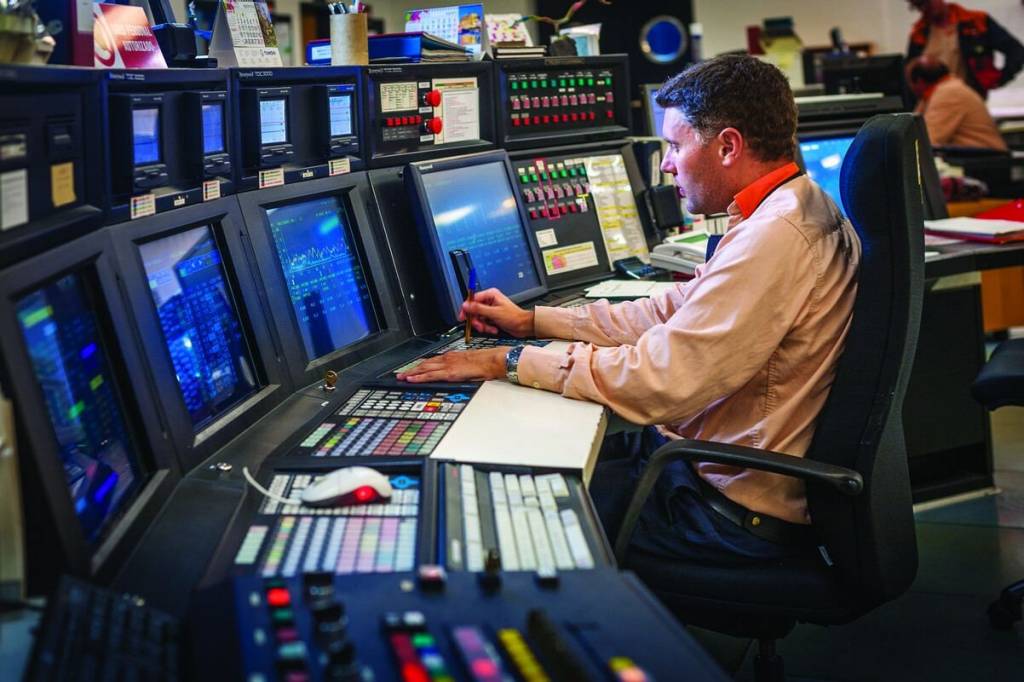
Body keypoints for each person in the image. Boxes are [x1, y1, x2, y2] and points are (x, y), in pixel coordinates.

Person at [398, 54, 861, 564]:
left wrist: (507, 361)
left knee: (513, 518)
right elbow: (669, 310)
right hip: (715, 472)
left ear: (727, 146)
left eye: (676, 145)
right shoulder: (795, 204)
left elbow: (657, 381)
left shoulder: (775, 237)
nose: (666, 164)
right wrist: (534, 322)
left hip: (721, 515)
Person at [906, 0, 1024, 98]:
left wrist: (1000, 79)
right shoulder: (918, 34)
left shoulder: (977, 21)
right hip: (935, 100)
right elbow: (910, 74)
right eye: (919, 5)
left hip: (970, 96)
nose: (925, 9)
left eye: (927, 2)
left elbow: (1016, 51)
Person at [907, 55, 1008, 150]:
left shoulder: (948, 93)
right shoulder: (942, 90)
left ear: (919, 81)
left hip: (985, 159)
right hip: (975, 155)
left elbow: (928, 139)